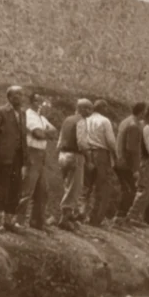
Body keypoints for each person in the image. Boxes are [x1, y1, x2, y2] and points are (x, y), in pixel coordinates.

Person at [18, 94, 58, 231]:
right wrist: (46, 133)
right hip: (32, 152)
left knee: (43, 189)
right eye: (37, 101)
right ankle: (19, 221)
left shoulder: (41, 117)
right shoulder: (29, 115)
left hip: (41, 154)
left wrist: (45, 132)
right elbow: (38, 134)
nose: (40, 103)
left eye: (42, 101)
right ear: (31, 102)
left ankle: (37, 221)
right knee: (27, 188)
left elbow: (54, 131)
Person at [0, 86, 27, 232]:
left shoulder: (22, 113)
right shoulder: (0, 112)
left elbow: (23, 136)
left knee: (15, 188)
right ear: (9, 97)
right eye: (15, 94)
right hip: (3, 156)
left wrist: (25, 159)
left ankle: (9, 221)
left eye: (21, 94)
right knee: (1, 187)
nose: (18, 97)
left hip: (18, 157)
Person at [82, 99, 117, 227]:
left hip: (87, 153)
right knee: (102, 187)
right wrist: (115, 155)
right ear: (103, 108)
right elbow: (111, 142)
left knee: (86, 186)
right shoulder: (104, 121)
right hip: (101, 154)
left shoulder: (86, 119)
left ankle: (80, 214)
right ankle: (95, 219)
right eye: (106, 108)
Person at [58, 99, 92, 231]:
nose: (90, 112)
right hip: (75, 156)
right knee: (74, 188)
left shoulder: (67, 119)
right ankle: (65, 219)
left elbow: (60, 140)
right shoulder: (81, 121)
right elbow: (82, 144)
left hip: (63, 154)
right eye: (88, 109)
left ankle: (66, 215)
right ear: (82, 109)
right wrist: (89, 159)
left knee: (67, 185)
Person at [115, 102, 149, 224]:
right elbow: (132, 150)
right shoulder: (134, 125)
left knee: (126, 189)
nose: (145, 114)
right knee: (130, 190)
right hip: (126, 163)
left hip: (119, 160)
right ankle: (120, 217)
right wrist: (135, 169)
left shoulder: (126, 121)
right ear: (141, 112)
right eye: (144, 112)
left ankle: (120, 216)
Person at [126, 106, 149, 226]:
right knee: (145, 189)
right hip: (145, 159)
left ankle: (135, 215)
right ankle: (133, 215)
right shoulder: (146, 128)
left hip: (140, 159)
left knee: (142, 188)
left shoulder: (139, 126)